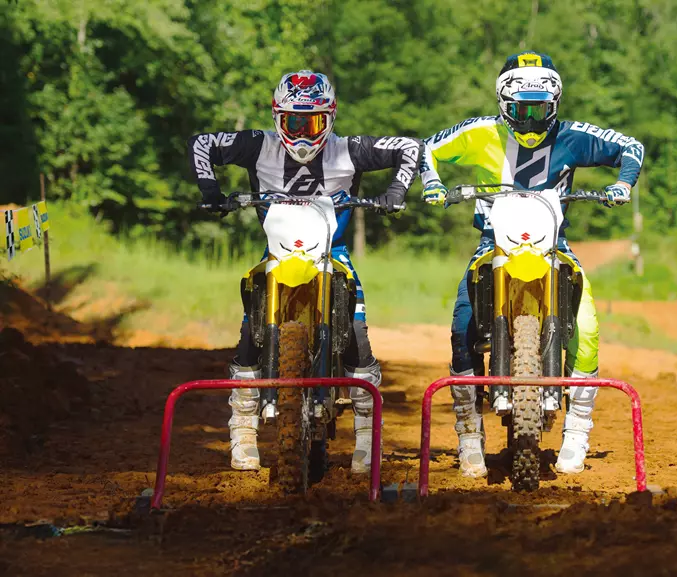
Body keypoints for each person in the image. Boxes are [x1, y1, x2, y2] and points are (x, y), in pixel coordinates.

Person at [419, 51, 645, 478]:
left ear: (553, 105)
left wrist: (622, 183)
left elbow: (631, 146)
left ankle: (578, 430)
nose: (529, 118)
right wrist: (432, 181)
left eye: (538, 109)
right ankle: (469, 433)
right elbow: (427, 147)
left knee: (589, 326)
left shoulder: (573, 136)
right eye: (520, 109)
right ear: (504, 104)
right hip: (493, 244)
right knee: (462, 324)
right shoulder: (480, 133)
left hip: (554, 245)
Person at [187, 70, 422, 474]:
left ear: (329, 119)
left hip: (333, 252)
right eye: (292, 121)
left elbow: (409, 146)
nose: (301, 131)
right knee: (249, 329)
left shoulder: (348, 149)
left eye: (311, 121)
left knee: (357, 330)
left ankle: (367, 435)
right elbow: (202, 142)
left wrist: (396, 192)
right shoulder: (259, 144)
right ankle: (242, 428)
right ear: (278, 117)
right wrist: (209, 190)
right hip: (277, 251)